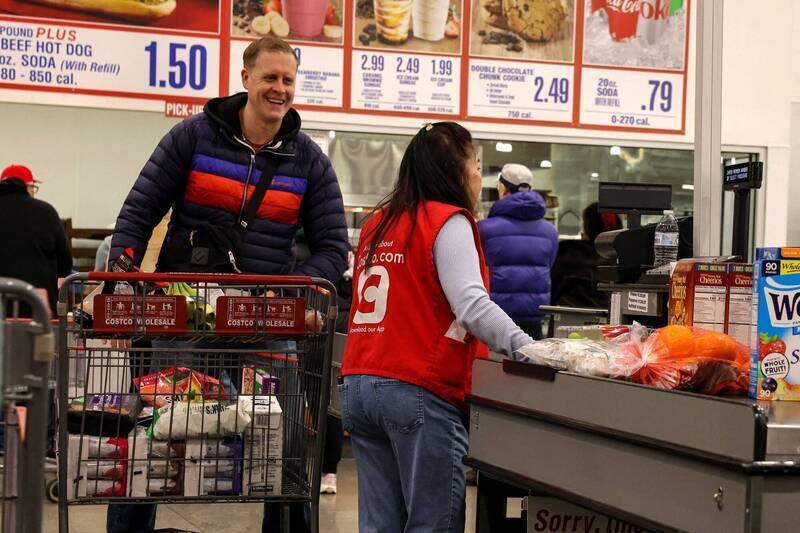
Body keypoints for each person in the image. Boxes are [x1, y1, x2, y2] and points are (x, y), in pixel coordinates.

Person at [105, 36, 348, 533]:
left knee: (282, 449)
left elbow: (333, 249)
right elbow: (138, 212)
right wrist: (122, 278)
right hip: (185, 320)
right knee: (158, 443)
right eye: (269, 78)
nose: (279, 89)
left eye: (287, 80)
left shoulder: (308, 160)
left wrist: (289, 294)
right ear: (245, 79)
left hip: (266, 323)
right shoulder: (193, 137)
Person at [340, 122, 535, 533]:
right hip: (417, 389)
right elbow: (473, 308)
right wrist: (530, 349)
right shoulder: (448, 222)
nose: (479, 174)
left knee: (378, 526)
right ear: (455, 170)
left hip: (360, 383)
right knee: (433, 524)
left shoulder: (380, 222)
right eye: (475, 163)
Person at [478, 163, 558, 340]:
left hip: (494, 316)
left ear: (503, 188)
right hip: (534, 316)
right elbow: (548, 266)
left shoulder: (484, 229)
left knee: (492, 367)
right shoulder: (549, 231)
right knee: (528, 364)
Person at [0, 164, 72, 315]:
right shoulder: (46, 212)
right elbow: (65, 262)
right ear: (27, 187)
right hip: (37, 308)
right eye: (33, 187)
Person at [550, 202, 622, 309]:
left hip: (566, 318)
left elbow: (553, 292)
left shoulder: (567, 254)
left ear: (588, 228)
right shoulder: (622, 261)